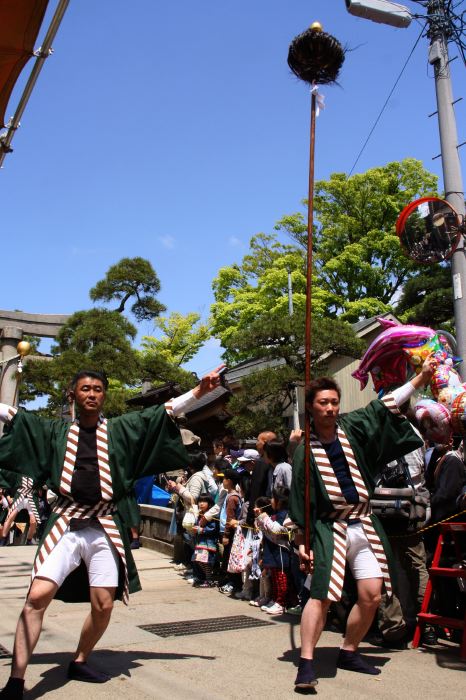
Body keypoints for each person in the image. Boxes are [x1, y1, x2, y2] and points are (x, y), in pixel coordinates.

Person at [0, 366, 222, 698]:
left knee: (104, 604)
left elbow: (165, 411)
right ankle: (16, 680)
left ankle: (80, 659)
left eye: (98, 389)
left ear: (104, 395)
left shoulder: (121, 430)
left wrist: (200, 391)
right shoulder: (55, 431)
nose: (92, 394)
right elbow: (15, 416)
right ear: (73, 395)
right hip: (65, 520)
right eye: (85, 389)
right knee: (36, 598)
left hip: (104, 523)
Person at [290, 355, 437, 690]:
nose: (329, 408)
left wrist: (419, 379)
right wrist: (302, 542)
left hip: (365, 523)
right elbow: (301, 501)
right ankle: (307, 662)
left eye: (334, 403)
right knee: (321, 595)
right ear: (311, 407)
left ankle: (349, 650)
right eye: (323, 403)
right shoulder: (304, 452)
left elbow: (384, 405)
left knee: (372, 594)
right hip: (330, 527)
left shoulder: (352, 427)